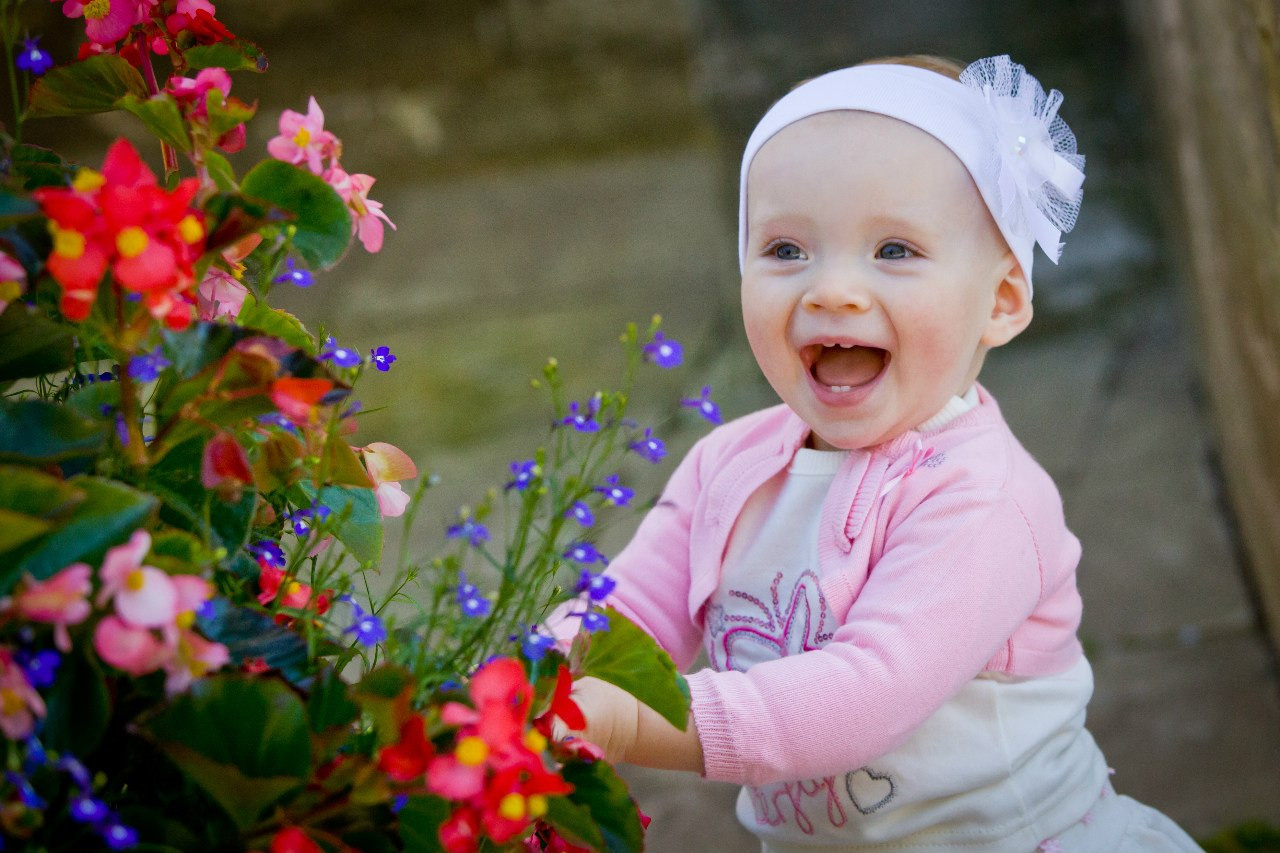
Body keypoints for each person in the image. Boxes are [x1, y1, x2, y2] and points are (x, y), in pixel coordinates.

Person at [557, 54, 1205, 852]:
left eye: (894, 250)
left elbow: (867, 692)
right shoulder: (730, 464)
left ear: (1000, 300)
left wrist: (634, 719)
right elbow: (635, 609)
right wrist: (549, 664)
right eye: (787, 249)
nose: (832, 289)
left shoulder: (983, 499)